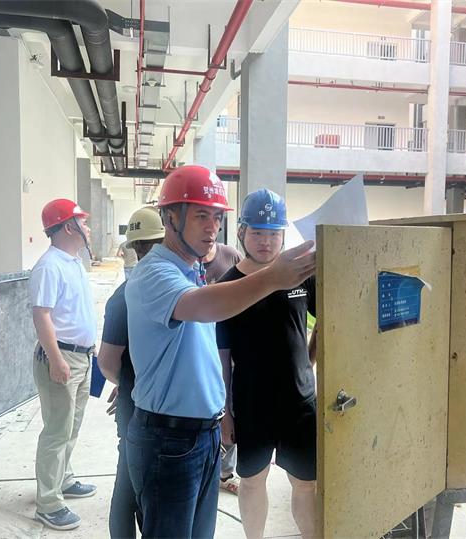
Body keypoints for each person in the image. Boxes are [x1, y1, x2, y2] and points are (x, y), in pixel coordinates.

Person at [124, 165, 315, 539]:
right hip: (169, 438)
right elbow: (203, 307)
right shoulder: (155, 273)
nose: (212, 227)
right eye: (200, 215)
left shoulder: (191, 270)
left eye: (216, 217)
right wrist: (273, 276)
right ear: (169, 217)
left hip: (202, 436)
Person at [216, 188, 318, 539]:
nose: (266, 241)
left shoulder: (301, 275)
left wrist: (308, 361)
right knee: (252, 480)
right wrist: (226, 412)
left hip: (299, 403)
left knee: (305, 483)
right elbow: (222, 355)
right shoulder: (229, 285)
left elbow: (329, 317)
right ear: (242, 231)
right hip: (252, 404)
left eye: (274, 233)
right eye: (258, 232)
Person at [28, 199, 98, 531]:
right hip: (62, 358)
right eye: (83, 223)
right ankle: (48, 503)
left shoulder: (73, 263)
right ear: (69, 227)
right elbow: (41, 315)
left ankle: (63, 479)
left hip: (81, 356)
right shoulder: (49, 266)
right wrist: (56, 359)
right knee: (57, 430)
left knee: (72, 426)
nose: (88, 229)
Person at [98, 206, 165, 539]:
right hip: (151, 408)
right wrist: (129, 385)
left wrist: (127, 383)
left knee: (127, 482)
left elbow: (109, 364)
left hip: (136, 403)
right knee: (137, 489)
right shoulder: (139, 294)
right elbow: (108, 362)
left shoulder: (123, 295)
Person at [203, 241, 243, 496]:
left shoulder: (229, 255)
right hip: (204, 345)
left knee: (230, 406)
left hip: (229, 344)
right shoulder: (188, 261)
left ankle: (226, 472)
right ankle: (207, 468)